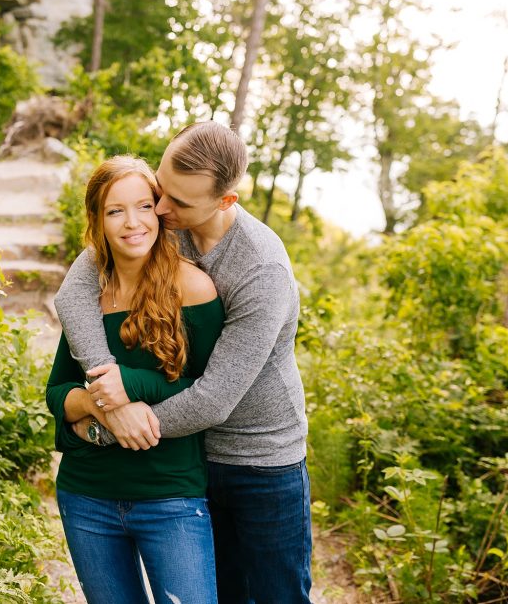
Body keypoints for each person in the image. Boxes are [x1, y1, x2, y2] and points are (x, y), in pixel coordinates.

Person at [54, 121, 312, 604]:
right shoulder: (159, 226)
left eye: (180, 203)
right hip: (189, 460)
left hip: (259, 460)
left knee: (277, 595)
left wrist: (110, 422)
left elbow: (213, 399)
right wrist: (102, 376)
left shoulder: (261, 270)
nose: (162, 210)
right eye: (161, 190)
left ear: (225, 202)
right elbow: (74, 291)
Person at [45, 155, 225, 604]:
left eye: (144, 206)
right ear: (98, 221)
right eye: (115, 211)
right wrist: (99, 406)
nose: (132, 223)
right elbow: (58, 392)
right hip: (87, 496)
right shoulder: (87, 297)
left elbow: (211, 390)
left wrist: (131, 385)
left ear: (160, 210)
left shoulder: (194, 289)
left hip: (171, 499)